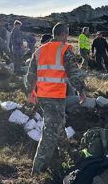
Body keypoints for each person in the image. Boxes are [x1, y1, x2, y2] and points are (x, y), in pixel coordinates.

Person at [26, 22, 86, 175]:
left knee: (57, 125)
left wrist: (30, 92)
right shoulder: (64, 50)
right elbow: (74, 73)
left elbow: (30, 76)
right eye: (67, 34)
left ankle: (68, 154)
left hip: (42, 97)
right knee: (49, 133)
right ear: (64, 34)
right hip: (56, 96)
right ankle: (37, 170)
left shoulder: (39, 51)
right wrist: (81, 90)